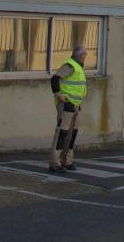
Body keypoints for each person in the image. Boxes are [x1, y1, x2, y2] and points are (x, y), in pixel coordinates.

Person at [49, 45, 87, 173]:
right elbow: (54, 79)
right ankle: (55, 162)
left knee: (71, 134)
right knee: (62, 133)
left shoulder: (79, 67)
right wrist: (58, 95)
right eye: (84, 54)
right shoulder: (70, 65)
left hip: (76, 105)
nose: (85, 56)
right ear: (79, 55)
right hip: (67, 104)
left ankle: (67, 160)